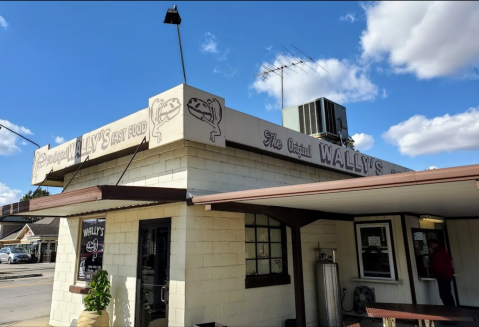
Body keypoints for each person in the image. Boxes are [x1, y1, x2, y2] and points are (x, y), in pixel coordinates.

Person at [428, 239, 456, 306]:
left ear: (433, 244)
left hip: (443, 276)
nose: (430, 247)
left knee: (444, 295)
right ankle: (453, 311)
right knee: (448, 294)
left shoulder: (438, 252)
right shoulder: (442, 251)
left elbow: (438, 266)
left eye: (430, 245)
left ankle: (450, 311)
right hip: (447, 275)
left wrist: (432, 271)